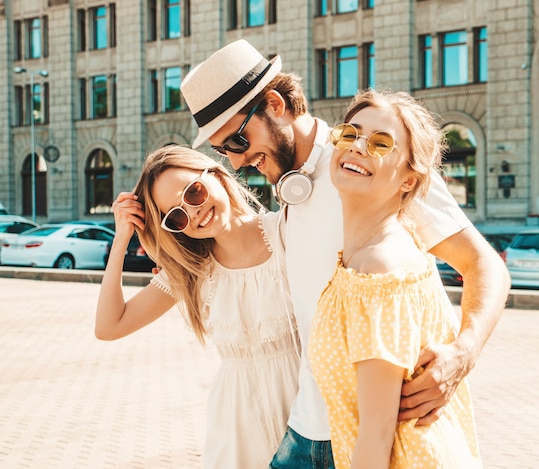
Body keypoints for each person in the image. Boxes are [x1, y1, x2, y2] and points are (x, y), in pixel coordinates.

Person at [180, 39, 509, 467]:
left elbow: (483, 264)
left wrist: (463, 354)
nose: (237, 163)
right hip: (304, 433)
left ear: (275, 104)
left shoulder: (373, 164)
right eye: (224, 151)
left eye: (238, 142)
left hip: (372, 440)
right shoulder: (292, 185)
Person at [94, 145, 300, 469]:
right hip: (237, 432)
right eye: (176, 216)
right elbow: (109, 326)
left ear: (215, 175)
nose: (193, 212)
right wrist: (122, 240)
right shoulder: (194, 272)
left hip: (307, 413)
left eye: (194, 192)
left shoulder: (290, 231)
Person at [309, 89, 482, 468]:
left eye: (381, 143)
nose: (357, 147)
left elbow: (377, 432)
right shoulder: (381, 249)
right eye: (350, 134)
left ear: (409, 179)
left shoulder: (379, 269)